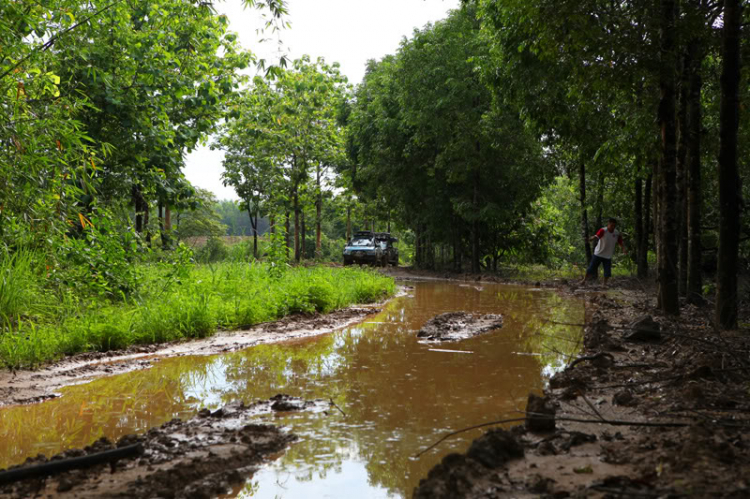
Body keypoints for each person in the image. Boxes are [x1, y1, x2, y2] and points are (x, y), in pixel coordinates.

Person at [582, 218, 627, 286]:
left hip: (608, 256)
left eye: (614, 226)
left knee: (607, 272)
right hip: (598, 253)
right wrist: (590, 239)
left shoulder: (616, 233)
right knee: (591, 268)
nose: (613, 227)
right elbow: (596, 236)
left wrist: (623, 249)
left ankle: (604, 284)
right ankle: (584, 280)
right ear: (608, 224)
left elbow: (620, 242)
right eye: (611, 225)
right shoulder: (603, 230)